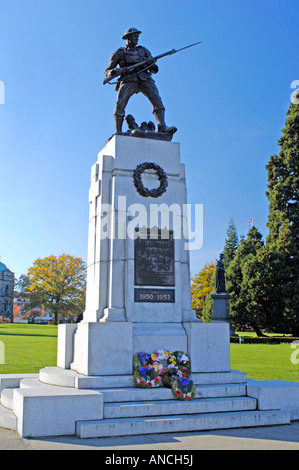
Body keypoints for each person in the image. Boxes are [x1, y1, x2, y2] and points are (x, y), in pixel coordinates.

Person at [104, 27, 176, 135]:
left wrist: (150, 63)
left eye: (138, 36)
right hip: (128, 78)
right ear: (128, 38)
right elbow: (107, 71)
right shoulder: (119, 53)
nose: (137, 38)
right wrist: (115, 71)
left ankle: (162, 127)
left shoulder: (143, 50)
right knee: (120, 103)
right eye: (134, 36)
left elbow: (154, 70)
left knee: (157, 99)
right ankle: (118, 131)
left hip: (144, 77)